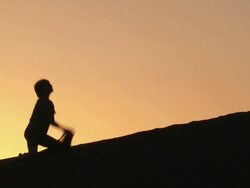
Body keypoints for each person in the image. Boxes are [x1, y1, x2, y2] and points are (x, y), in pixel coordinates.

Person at [24, 79, 74, 154]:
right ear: (43, 89)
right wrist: (64, 129)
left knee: (55, 148)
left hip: (39, 135)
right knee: (33, 157)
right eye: (48, 84)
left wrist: (64, 129)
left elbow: (51, 121)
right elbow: (50, 121)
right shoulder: (43, 102)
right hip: (33, 134)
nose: (50, 85)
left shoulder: (47, 103)